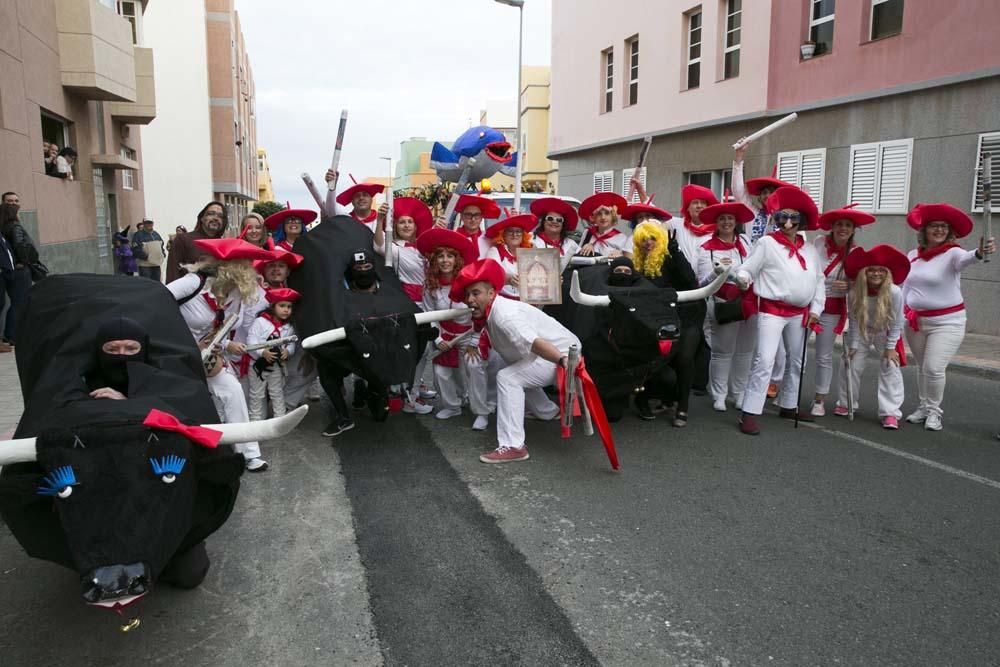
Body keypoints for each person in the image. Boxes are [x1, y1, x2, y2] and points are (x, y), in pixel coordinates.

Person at [453, 258, 581, 463]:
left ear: (491, 293)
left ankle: (513, 445)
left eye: (476, 293)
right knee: (514, 366)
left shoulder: (504, 316)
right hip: (554, 351)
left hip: (561, 353)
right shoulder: (492, 310)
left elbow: (535, 343)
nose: (469, 299)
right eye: (467, 294)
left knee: (508, 378)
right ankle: (547, 412)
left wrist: (562, 360)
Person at [166, 238, 274, 471]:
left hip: (207, 358)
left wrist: (223, 345)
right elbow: (156, 304)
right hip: (174, 354)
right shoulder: (192, 283)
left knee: (233, 390)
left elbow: (221, 329)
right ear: (230, 267)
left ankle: (248, 454)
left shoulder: (236, 295)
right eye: (245, 264)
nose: (250, 270)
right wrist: (184, 343)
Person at [735, 186, 825, 435]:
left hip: (800, 314)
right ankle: (750, 411)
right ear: (775, 220)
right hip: (772, 312)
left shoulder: (809, 250)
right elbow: (748, 269)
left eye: (793, 218)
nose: (787, 223)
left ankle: (789, 404)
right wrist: (742, 278)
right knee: (764, 359)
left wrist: (817, 309)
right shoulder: (766, 243)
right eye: (782, 217)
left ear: (801, 221)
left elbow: (818, 281)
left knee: (796, 361)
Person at [902, 203, 996, 431]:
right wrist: (899, 313)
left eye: (944, 226)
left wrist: (980, 252)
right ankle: (924, 406)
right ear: (924, 230)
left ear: (950, 231)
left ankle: (935, 411)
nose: (939, 230)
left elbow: (968, 259)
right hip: (915, 321)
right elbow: (905, 286)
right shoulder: (913, 255)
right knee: (922, 366)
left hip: (947, 323)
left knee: (934, 367)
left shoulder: (953, 253)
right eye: (934, 226)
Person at [417, 228, 489, 428]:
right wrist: (438, 339)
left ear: (457, 260)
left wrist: (475, 341)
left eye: (450, 256)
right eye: (440, 256)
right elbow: (429, 313)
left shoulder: (470, 283)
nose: (445, 260)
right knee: (441, 371)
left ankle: (481, 411)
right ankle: (452, 405)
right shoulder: (430, 285)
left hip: (469, 333)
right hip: (444, 334)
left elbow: (481, 313)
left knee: (474, 367)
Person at [632, 221, 702, 427]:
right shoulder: (639, 263)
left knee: (684, 359)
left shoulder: (670, 258)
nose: (648, 243)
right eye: (643, 239)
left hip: (687, 316)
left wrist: (676, 252)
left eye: (652, 238)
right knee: (655, 362)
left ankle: (683, 407)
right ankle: (660, 398)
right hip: (657, 321)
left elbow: (691, 281)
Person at [807, 204, 875, 416]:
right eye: (839, 225)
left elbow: (861, 286)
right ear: (832, 227)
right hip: (808, 305)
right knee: (794, 352)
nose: (843, 228)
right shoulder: (818, 242)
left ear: (854, 229)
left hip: (832, 309)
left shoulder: (856, 253)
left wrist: (850, 285)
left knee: (824, 356)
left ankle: (819, 399)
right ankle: (787, 393)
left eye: (847, 225)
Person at [318, 249, 392, 437]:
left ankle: (371, 391)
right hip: (351, 350)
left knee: (380, 415)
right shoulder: (342, 293)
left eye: (367, 266)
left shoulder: (387, 290)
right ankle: (343, 417)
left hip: (379, 353)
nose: (363, 270)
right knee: (325, 367)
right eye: (359, 267)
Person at [837, 245, 909, 429]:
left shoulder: (894, 292)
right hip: (861, 330)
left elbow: (898, 321)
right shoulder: (854, 292)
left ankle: (890, 412)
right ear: (864, 273)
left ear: (886, 273)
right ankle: (847, 403)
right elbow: (853, 319)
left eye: (880, 270)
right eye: (871, 270)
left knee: (889, 365)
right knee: (850, 363)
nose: (876, 274)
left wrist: (891, 347)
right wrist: (853, 344)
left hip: (885, 331)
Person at [695, 201, 756, 412]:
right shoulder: (706, 249)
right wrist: (718, 272)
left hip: (748, 303)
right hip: (722, 305)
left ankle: (739, 393)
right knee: (722, 352)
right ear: (716, 223)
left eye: (730, 218)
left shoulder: (747, 244)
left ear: (736, 221)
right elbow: (701, 283)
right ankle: (719, 395)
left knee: (745, 352)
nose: (727, 222)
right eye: (722, 219)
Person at [247, 288, 299, 422]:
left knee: (276, 392)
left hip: (276, 366)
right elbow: (251, 341)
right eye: (282, 306)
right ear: (272, 306)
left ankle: (280, 419)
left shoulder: (289, 327)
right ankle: (255, 421)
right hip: (258, 366)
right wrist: (262, 352)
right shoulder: (260, 322)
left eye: (289, 307)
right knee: (256, 394)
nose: (286, 310)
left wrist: (288, 351)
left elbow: (291, 343)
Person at [732, 142, 795, 245]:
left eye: (772, 193)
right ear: (760, 197)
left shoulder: (788, 218)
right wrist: (739, 157)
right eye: (764, 193)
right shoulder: (753, 213)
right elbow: (738, 191)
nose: (768, 196)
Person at [0, 200, 38, 344]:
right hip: (19, 270)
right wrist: (23, 261)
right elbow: (20, 245)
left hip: (10, 270)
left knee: (16, 302)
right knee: (20, 302)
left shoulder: (3, 228)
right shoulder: (15, 227)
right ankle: (13, 334)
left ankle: (12, 333)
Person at [84, 316, 149, 400]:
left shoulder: (159, 384)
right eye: (112, 349)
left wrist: (125, 403)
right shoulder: (81, 383)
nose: (121, 355)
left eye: (131, 349)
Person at [166, 201, 228, 283]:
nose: (216, 218)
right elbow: (173, 272)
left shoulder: (225, 245)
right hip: (189, 293)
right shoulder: (183, 239)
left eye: (220, 216)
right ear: (202, 218)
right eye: (211, 214)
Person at [485, 213, 536, 300]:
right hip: (503, 302)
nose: (514, 234)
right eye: (510, 231)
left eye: (518, 231)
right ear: (503, 234)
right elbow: (490, 275)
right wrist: (507, 279)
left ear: (523, 235)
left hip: (528, 302)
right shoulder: (495, 251)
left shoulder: (530, 251)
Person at [530, 197, 581, 271]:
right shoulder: (531, 239)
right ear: (543, 221)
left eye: (559, 220)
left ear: (563, 224)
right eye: (550, 218)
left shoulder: (571, 244)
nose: (554, 222)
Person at [577, 192, 632, 258]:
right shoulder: (588, 233)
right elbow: (577, 255)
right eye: (599, 214)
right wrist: (584, 247)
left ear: (613, 216)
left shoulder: (622, 238)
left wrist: (620, 255)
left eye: (607, 213)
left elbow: (626, 261)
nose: (603, 217)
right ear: (594, 217)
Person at [454, 194, 502, 259]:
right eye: (468, 215)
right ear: (462, 216)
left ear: (481, 217)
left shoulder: (490, 239)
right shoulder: (453, 237)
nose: (473, 219)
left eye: (476, 215)